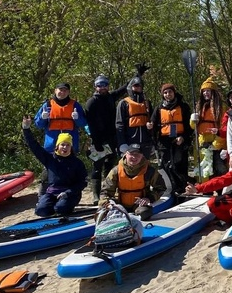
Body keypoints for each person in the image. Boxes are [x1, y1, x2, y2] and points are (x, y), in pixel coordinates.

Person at [22, 116, 88, 217]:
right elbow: (34, 146)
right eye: (62, 145)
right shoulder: (50, 159)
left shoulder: (77, 163)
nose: (65, 147)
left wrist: (68, 192)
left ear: (71, 147)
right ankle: (52, 207)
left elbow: (82, 183)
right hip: (52, 192)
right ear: (57, 146)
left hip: (69, 194)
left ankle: (63, 207)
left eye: (68, 145)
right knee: (41, 211)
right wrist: (26, 129)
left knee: (60, 209)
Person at [84, 74, 129, 203]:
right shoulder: (91, 102)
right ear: (95, 87)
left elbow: (124, 88)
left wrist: (138, 74)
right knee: (97, 167)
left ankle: (107, 191)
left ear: (108, 86)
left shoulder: (110, 97)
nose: (102, 87)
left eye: (105, 85)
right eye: (99, 85)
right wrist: (96, 141)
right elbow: (90, 124)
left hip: (112, 138)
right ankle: (96, 195)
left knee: (110, 165)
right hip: (98, 139)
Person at [99, 144, 166, 221]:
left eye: (138, 155)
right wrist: (107, 203)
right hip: (119, 204)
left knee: (144, 213)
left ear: (142, 156)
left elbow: (161, 188)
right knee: (103, 213)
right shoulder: (116, 171)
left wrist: (149, 198)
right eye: (131, 154)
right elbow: (105, 191)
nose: (134, 157)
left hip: (139, 204)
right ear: (126, 154)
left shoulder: (149, 171)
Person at [149, 83, 193, 194]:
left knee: (180, 165)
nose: (168, 94)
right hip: (164, 142)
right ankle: (170, 188)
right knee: (166, 166)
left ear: (174, 93)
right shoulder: (159, 108)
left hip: (179, 140)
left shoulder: (183, 106)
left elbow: (189, 127)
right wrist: (150, 126)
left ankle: (183, 188)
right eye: (165, 92)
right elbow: (153, 125)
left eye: (170, 92)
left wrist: (183, 137)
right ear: (162, 95)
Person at [33, 82, 88, 153]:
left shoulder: (75, 105)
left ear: (69, 92)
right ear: (55, 90)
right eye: (60, 90)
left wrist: (77, 118)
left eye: (65, 90)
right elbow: (38, 125)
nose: (62, 92)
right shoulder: (48, 105)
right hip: (51, 147)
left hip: (70, 146)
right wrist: (42, 118)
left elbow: (83, 124)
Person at [191, 77, 227, 178]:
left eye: (208, 91)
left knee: (218, 168)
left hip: (216, 141)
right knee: (203, 168)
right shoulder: (199, 107)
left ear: (213, 92)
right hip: (202, 141)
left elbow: (224, 127)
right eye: (204, 91)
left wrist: (216, 144)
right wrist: (192, 120)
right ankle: (204, 186)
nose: (205, 93)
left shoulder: (222, 107)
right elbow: (194, 127)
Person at [116, 77, 154, 158]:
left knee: (145, 165)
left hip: (146, 143)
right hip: (130, 143)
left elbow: (153, 120)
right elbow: (119, 125)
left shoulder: (147, 103)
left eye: (140, 85)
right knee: (130, 164)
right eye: (136, 85)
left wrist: (153, 142)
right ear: (131, 86)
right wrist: (122, 143)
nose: (138, 87)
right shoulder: (123, 103)